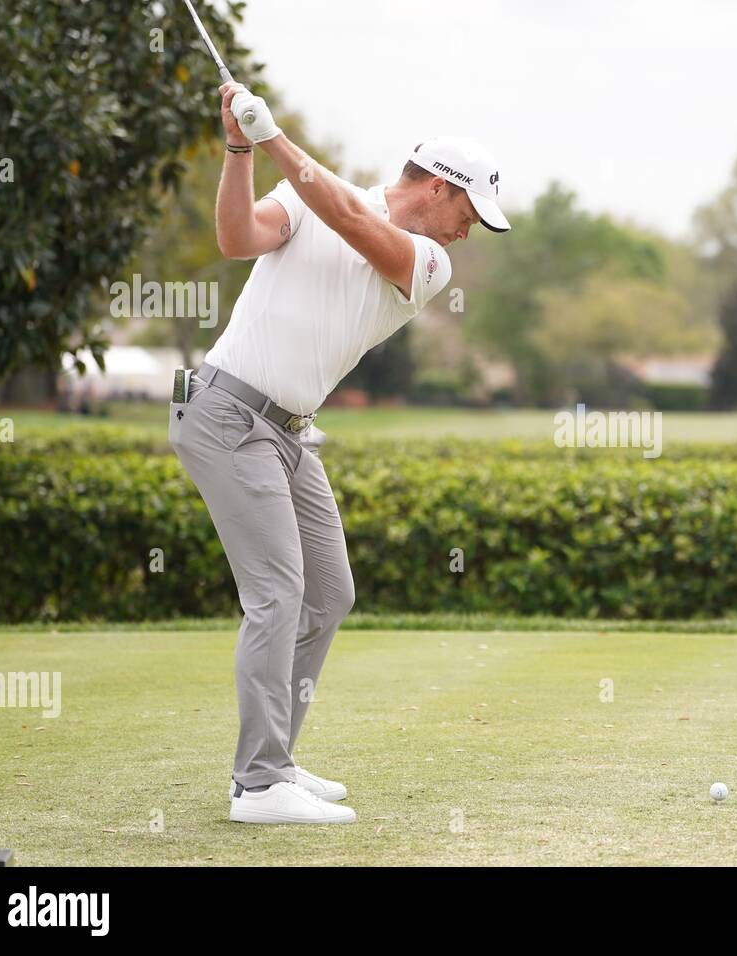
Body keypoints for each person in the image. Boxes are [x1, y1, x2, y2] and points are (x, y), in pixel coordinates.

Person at [168, 81, 510, 824]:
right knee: (278, 594)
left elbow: (351, 219)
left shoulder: (425, 263)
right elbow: (236, 239)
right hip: (226, 414)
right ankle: (260, 785)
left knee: (328, 593)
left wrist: (273, 140)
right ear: (437, 187)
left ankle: (275, 761)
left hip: (289, 434)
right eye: (468, 211)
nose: (468, 231)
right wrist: (239, 149)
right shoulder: (315, 194)